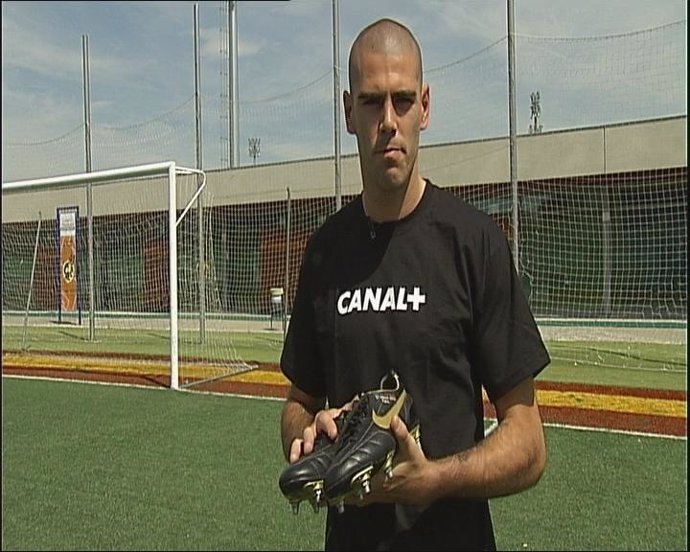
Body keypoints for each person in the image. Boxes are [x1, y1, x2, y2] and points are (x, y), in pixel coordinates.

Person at [279, 17, 550, 551]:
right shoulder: (325, 251)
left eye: (402, 100)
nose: (388, 121)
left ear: (425, 107)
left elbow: (530, 443)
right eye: (371, 101)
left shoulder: (473, 243)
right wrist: (309, 438)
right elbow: (297, 402)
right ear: (347, 113)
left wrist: (435, 479)